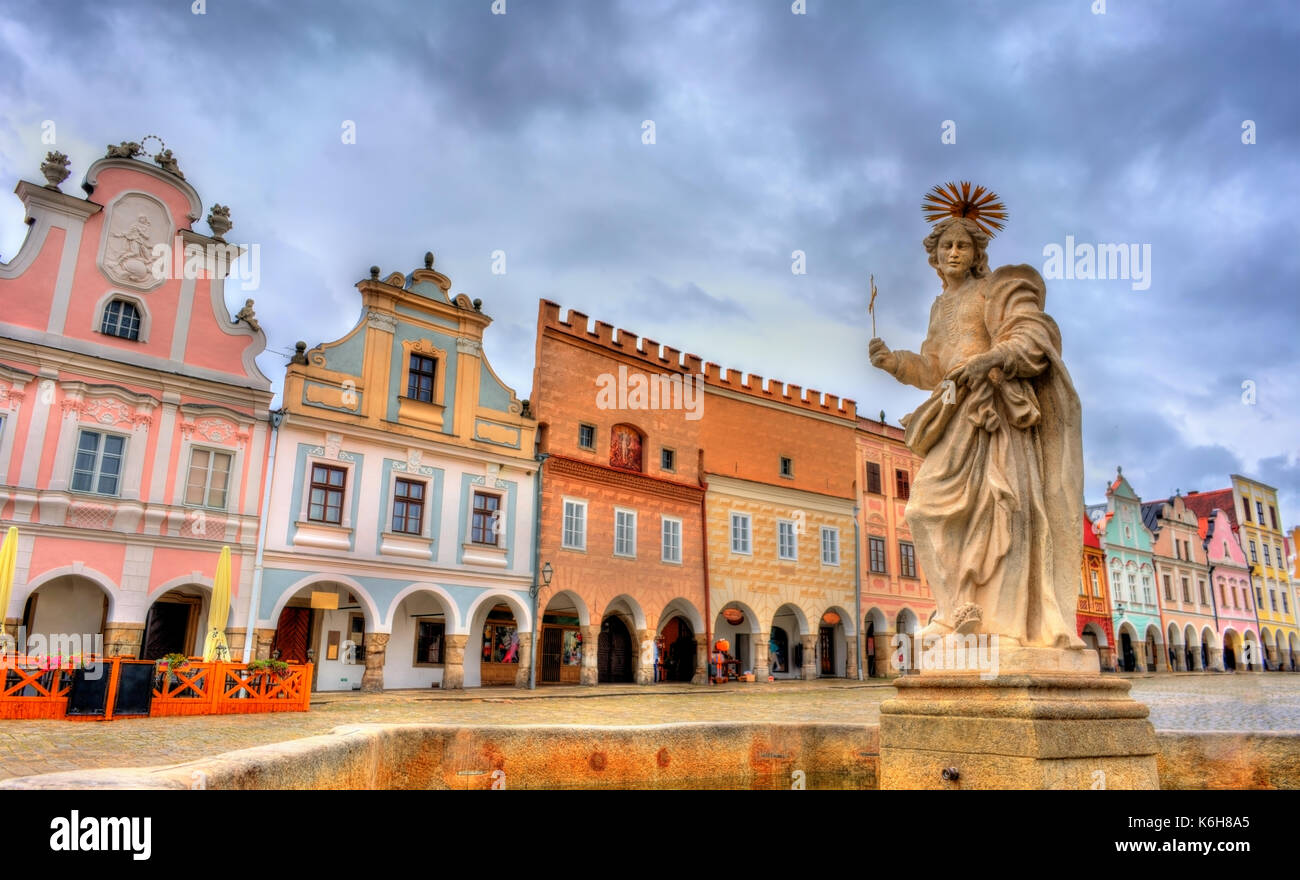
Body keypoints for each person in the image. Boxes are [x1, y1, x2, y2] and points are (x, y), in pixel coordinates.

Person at [869, 211, 1084, 649]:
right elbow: (934, 366)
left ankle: (998, 621)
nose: (953, 252)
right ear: (933, 257)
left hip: (993, 409)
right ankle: (953, 611)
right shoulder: (939, 306)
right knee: (923, 510)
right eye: (946, 246)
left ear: (976, 254)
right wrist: (895, 362)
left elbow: (1033, 336)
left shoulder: (993, 290)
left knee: (999, 509)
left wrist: (993, 357)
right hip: (951, 406)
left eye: (962, 245)